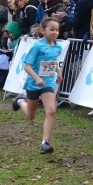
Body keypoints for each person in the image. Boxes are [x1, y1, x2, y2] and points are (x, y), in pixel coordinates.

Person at [11, 18, 63, 154]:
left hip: (48, 83)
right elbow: (27, 66)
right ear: (42, 30)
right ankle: (20, 101)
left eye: (57, 30)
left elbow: (53, 61)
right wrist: (37, 77)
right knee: (31, 115)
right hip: (33, 83)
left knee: (51, 110)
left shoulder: (58, 46)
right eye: (51, 29)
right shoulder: (37, 46)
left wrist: (58, 72)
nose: (55, 32)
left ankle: (44, 143)